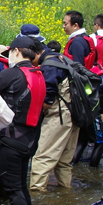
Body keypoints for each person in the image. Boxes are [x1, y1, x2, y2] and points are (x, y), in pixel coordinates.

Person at [0, 36, 46, 205]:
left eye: (10, 53)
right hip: (30, 140)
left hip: (11, 140)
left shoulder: (11, 74)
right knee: (21, 185)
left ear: (17, 51)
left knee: (14, 189)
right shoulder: (39, 74)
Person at [30, 37, 76, 192]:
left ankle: (37, 195)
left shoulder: (48, 66)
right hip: (75, 114)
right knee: (64, 161)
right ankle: (65, 191)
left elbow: (48, 99)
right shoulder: (61, 58)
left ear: (36, 53)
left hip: (60, 116)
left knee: (42, 158)